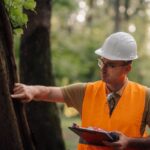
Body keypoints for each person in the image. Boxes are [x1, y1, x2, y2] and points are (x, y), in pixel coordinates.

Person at [11, 32, 150, 150]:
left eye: (111, 65)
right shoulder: (86, 91)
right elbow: (50, 92)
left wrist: (129, 141)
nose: (103, 69)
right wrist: (31, 90)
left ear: (127, 68)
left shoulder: (145, 96)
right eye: (102, 62)